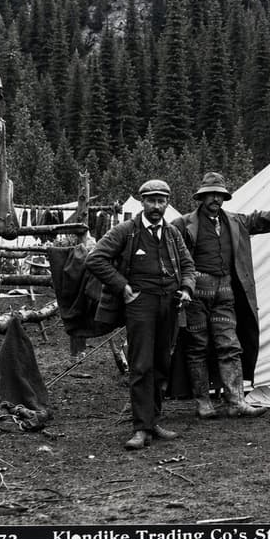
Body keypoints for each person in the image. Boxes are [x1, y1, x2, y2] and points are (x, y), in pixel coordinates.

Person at [86, 180, 195, 450]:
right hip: (140, 306)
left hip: (169, 305)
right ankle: (140, 428)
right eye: (151, 201)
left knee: (161, 364)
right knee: (141, 365)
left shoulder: (172, 234)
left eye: (161, 201)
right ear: (142, 202)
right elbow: (95, 258)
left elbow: (188, 265)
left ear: (168, 202)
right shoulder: (126, 231)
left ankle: (154, 422)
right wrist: (122, 287)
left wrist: (186, 288)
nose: (157, 206)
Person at [172, 171, 270, 419]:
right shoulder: (183, 224)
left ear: (224, 197)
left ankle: (236, 401)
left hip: (225, 292)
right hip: (195, 294)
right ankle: (203, 403)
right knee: (197, 347)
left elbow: (257, 219)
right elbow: (169, 250)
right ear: (201, 197)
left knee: (230, 345)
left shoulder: (235, 221)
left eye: (219, 194)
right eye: (210, 194)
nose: (215, 199)